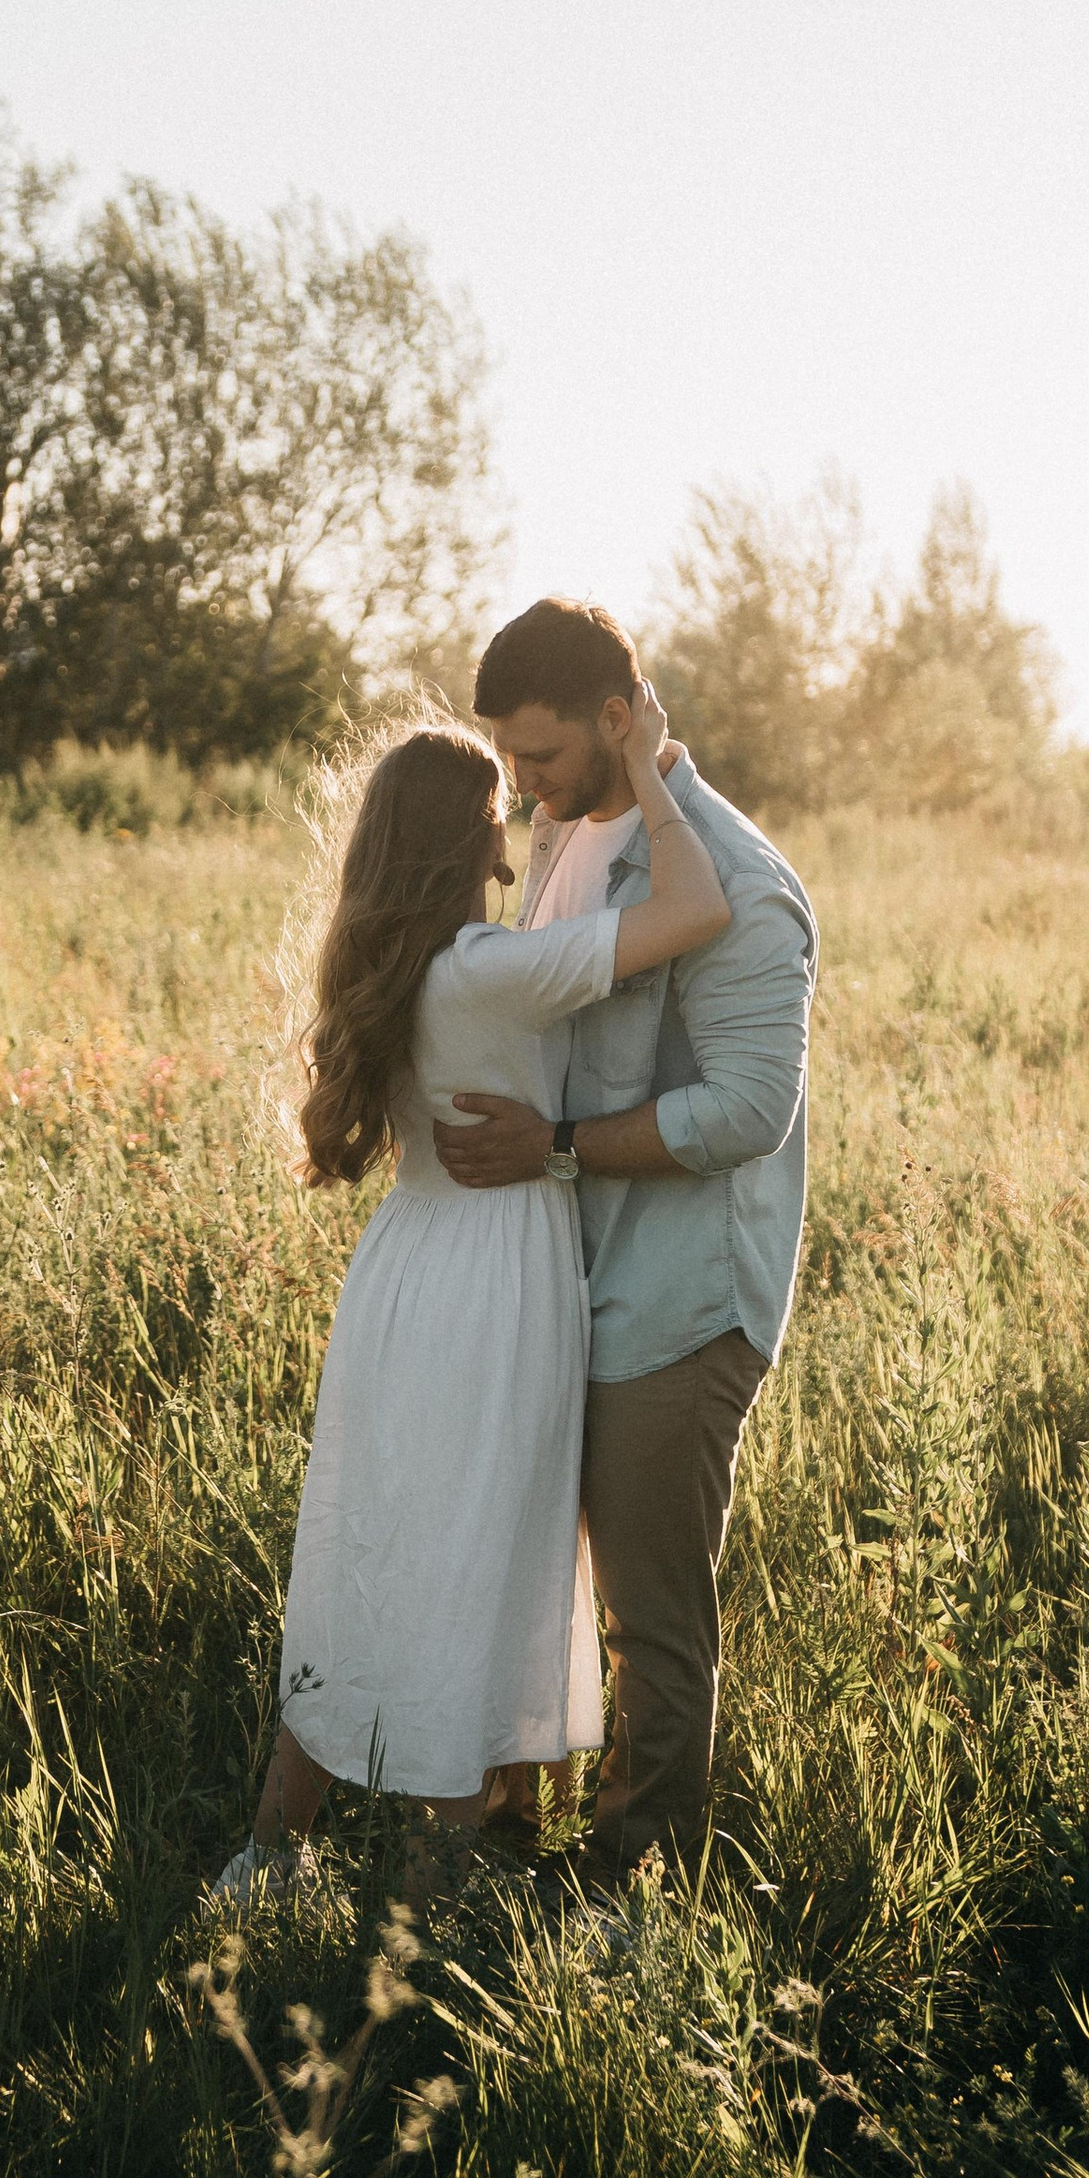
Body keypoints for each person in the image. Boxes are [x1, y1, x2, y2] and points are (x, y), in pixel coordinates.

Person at [214, 687, 729, 1904]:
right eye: (496, 820)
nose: (509, 847)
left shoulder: (390, 967)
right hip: (496, 1285)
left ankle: (267, 1852)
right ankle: (429, 1900)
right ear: (460, 842)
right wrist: (652, 767)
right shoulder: (488, 972)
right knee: (472, 1562)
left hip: (405, 1275)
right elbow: (698, 906)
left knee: (371, 1555)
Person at [436, 596, 817, 1895]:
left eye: (539, 751)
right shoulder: (562, 828)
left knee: (652, 1615)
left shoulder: (736, 876)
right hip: (564, 1277)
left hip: (680, 1297)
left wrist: (553, 1144)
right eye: (507, 756)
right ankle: (520, 1840)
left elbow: (750, 1111)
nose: (520, 782)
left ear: (618, 717)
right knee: (537, 1571)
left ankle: (639, 1885)